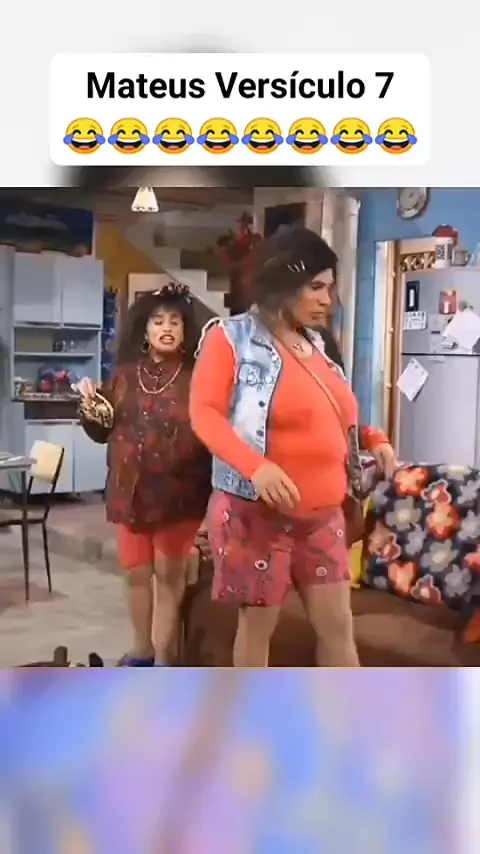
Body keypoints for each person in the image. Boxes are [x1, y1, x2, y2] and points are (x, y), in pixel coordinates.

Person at [189, 228, 397, 668]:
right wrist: (255, 467)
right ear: (283, 282)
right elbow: (204, 414)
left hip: (323, 517)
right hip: (256, 517)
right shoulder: (230, 338)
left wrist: (373, 438)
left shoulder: (318, 345)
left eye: (330, 288)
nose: (327, 300)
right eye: (316, 287)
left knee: (338, 628)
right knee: (257, 629)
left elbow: (335, 416)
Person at [76, 283, 211, 666]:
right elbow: (100, 432)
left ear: (186, 329)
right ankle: (141, 652)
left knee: (169, 578)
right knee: (135, 575)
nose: (166, 328)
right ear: (145, 330)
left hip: (179, 496)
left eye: (174, 321)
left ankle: (165, 659)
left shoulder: (199, 378)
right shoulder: (123, 376)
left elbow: (214, 436)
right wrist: (89, 407)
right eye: (158, 321)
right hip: (128, 493)